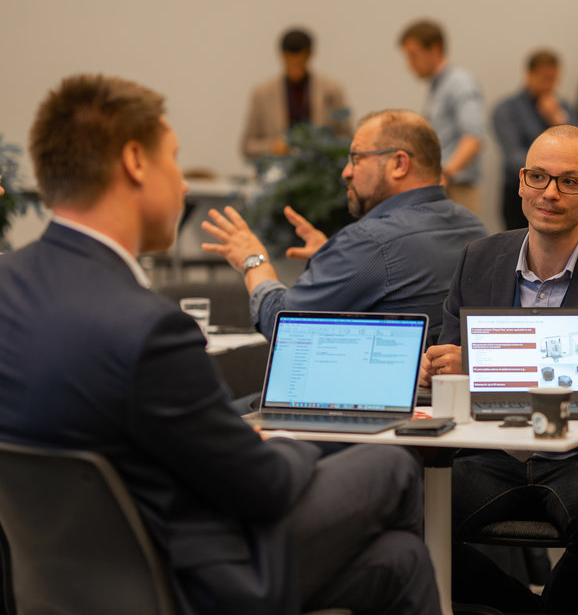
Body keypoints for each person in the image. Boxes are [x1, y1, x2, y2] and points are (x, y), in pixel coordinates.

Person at [0, 74, 440, 615]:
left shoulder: (9, 287)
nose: (184, 186)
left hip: (62, 583)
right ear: (136, 162)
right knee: (390, 463)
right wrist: (284, 433)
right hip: (188, 585)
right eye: (175, 160)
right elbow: (263, 488)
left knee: (398, 561)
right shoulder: (148, 329)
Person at [421, 125, 578, 614]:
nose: (550, 193)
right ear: (520, 182)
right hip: (490, 449)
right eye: (538, 177)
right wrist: (436, 369)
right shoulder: (478, 257)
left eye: (569, 182)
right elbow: (448, 365)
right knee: (407, 512)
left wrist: (477, 364)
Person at [203, 109, 488, 340]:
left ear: (399, 164)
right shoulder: (473, 227)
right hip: (440, 401)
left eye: (356, 158)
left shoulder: (369, 242)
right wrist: (332, 256)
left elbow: (284, 326)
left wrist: (254, 260)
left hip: (368, 403)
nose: (346, 172)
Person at [398, 19, 486, 215]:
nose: (409, 65)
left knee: (464, 246)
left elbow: (474, 136)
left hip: (457, 188)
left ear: (435, 50)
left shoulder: (459, 83)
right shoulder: (439, 86)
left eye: (413, 56)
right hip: (445, 186)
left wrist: (446, 173)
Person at [493, 48, 578, 230]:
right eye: (544, 78)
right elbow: (513, 156)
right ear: (529, 75)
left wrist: (558, 121)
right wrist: (548, 172)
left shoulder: (563, 108)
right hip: (519, 195)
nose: (549, 85)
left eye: (553, 79)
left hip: (559, 191)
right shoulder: (506, 109)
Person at [241, 27, 352, 162]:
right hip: (277, 173)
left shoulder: (332, 90)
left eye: (300, 61)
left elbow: (348, 139)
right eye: (289, 60)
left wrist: (323, 146)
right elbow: (247, 146)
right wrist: (272, 146)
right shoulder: (263, 93)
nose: (294, 66)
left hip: (320, 171)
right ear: (282, 56)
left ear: (309, 55)